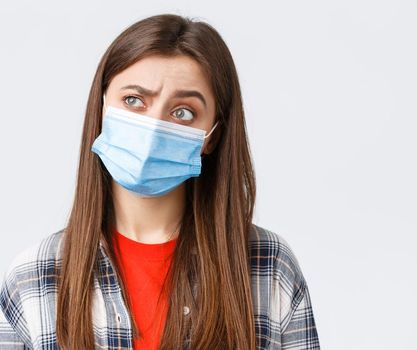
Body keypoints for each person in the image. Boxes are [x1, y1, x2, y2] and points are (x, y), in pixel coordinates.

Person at [0, 14, 320, 350]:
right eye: (134, 101)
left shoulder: (269, 265)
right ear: (101, 109)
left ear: (211, 136)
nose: (153, 128)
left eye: (183, 112)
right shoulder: (34, 276)